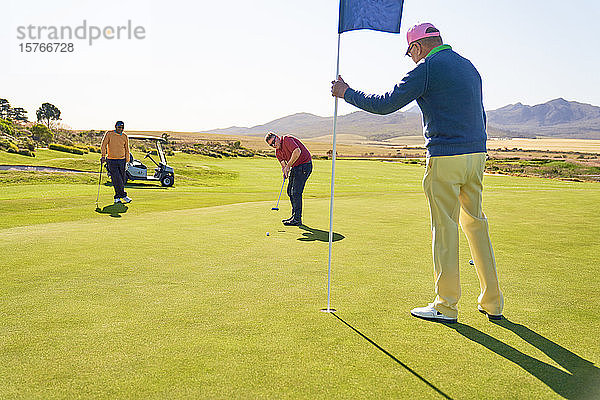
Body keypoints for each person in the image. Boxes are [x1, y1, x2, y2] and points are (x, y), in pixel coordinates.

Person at [331, 22, 503, 323]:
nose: (412, 59)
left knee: (445, 229)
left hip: (446, 158)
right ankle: (493, 302)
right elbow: (481, 112)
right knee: (476, 225)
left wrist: (346, 93)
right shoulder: (468, 66)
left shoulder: (427, 67)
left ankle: (446, 305)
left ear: (417, 47)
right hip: (477, 155)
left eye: (410, 54)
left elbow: (386, 104)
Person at [265, 131, 312, 226]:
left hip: (305, 164)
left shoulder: (286, 140)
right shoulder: (278, 152)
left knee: (296, 192)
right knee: (289, 191)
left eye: (274, 141)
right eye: (271, 145)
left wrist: (288, 166)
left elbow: (297, 152)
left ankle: (297, 219)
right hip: (295, 167)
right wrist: (285, 171)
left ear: (277, 137)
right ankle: (294, 216)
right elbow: (284, 165)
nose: (274, 145)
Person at [101, 121, 132, 204]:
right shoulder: (109, 134)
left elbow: (127, 149)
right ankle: (123, 196)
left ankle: (118, 197)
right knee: (116, 178)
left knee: (122, 179)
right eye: (119, 127)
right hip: (111, 160)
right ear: (115, 127)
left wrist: (127, 161)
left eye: (122, 128)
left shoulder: (125, 136)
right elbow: (103, 145)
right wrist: (103, 156)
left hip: (122, 160)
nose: (121, 129)